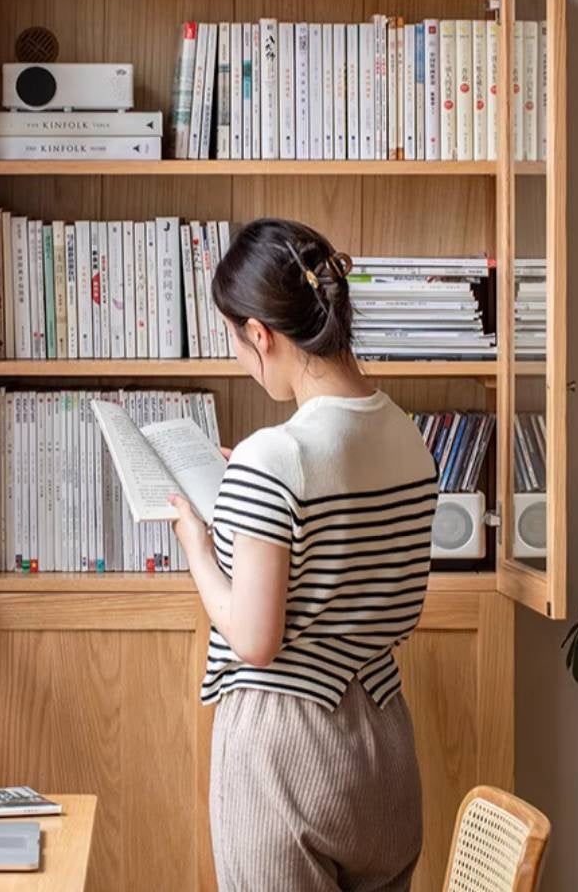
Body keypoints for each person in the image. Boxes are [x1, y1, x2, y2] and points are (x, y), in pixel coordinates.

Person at [169, 218, 439, 892]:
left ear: (260, 334)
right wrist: (251, 491)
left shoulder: (275, 454)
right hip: (385, 751)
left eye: (237, 341)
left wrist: (199, 547)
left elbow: (256, 641)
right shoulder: (410, 437)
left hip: (284, 756)